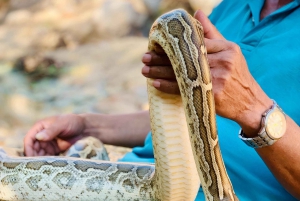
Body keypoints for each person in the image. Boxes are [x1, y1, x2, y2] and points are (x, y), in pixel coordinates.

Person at [24, 0, 300, 200]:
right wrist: (87, 126)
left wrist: (254, 108)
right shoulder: (233, 6)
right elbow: (187, 117)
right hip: (132, 179)